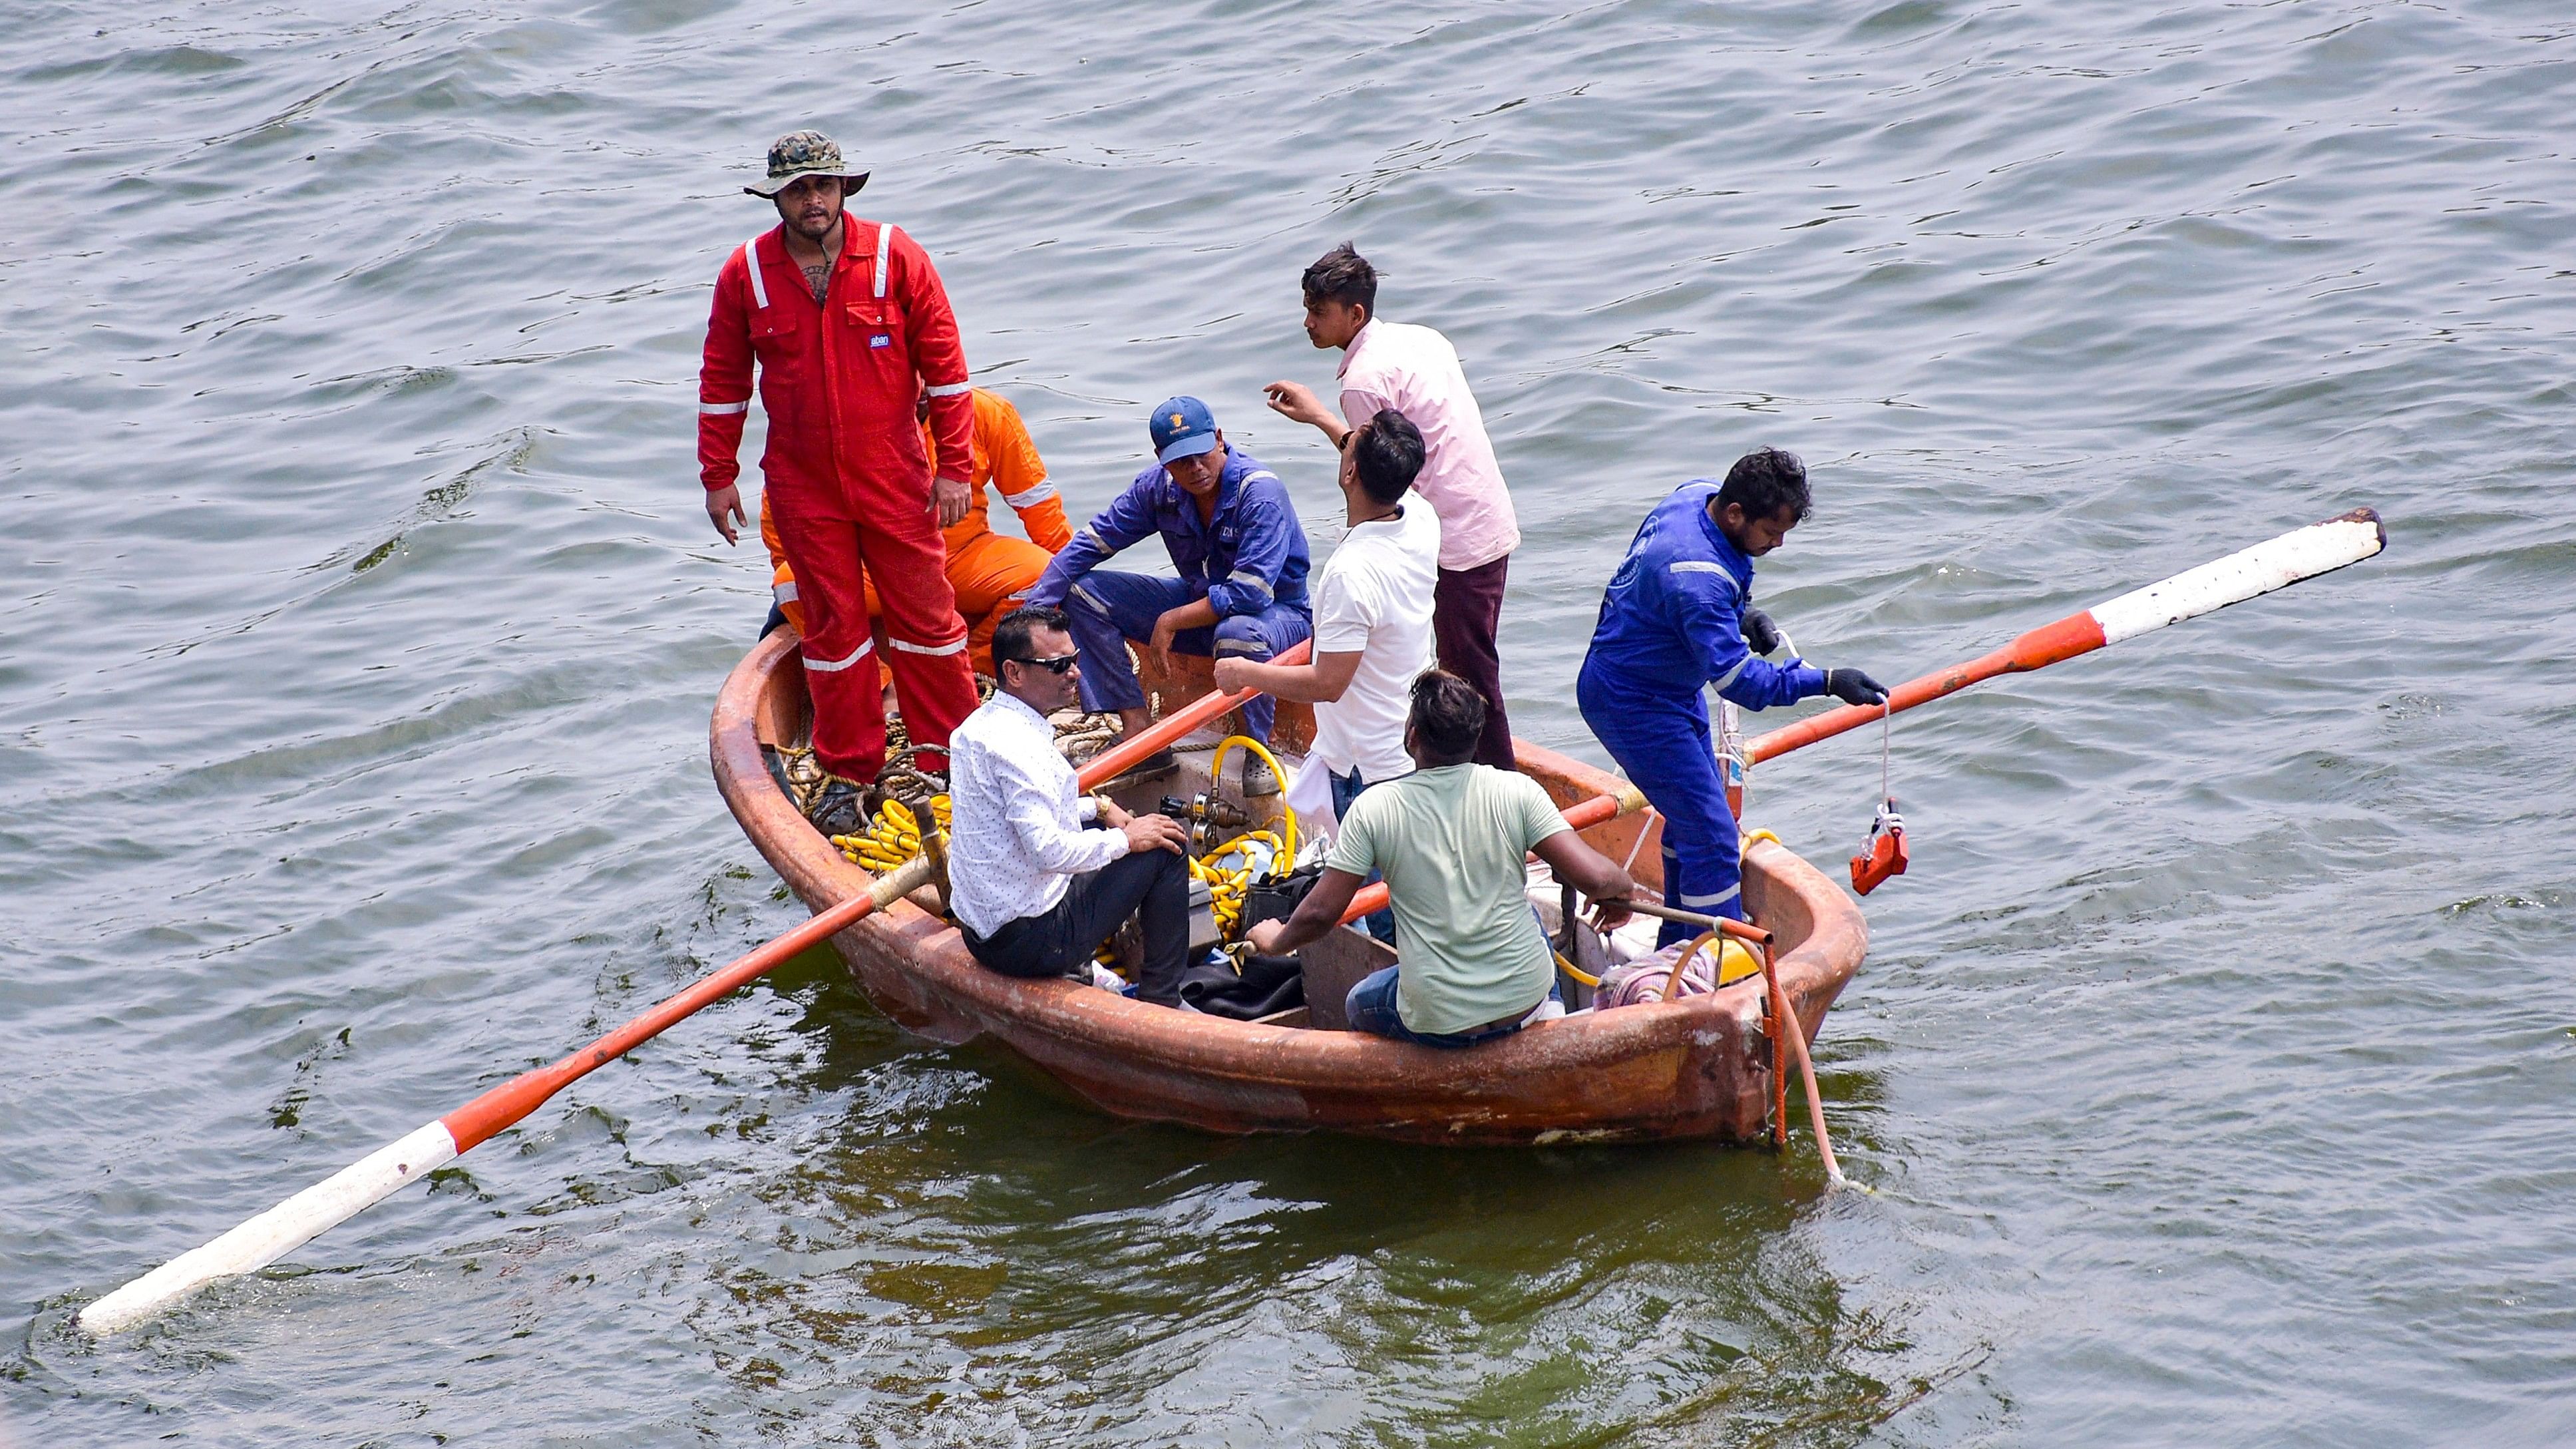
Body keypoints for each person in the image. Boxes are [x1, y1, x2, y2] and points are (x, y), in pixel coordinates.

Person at [698, 130, 982, 835]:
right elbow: (724, 382)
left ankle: (950, 759)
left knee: (930, 622)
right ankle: (849, 771)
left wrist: (954, 469)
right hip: (801, 487)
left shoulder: (895, 255)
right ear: (778, 199)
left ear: (843, 188)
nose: (813, 199)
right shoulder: (747, 274)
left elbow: (948, 375)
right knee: (833, 634)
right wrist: (718, 474)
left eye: (823, 185)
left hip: (894, 478)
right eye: (798, 189)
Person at [1576, 448, 1888, 946]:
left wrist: (1740, 615)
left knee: (1694, 823)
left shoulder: (1693, 497)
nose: (1778, 544)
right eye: (1770, 533)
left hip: (1666, 684)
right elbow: (1744, 684)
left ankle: (1675, 947)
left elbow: (1672, 594)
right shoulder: (1697, 581)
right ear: (1736, 513)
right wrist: (1826, 680)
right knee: (1715, 842)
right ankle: (1712, 965)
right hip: (1629, 703)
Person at [1246, 672, 1637, 1048]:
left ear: (1412, 737)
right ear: (1475, 737)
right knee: (1528, 917)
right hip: (1524, 1000)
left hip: (1439, 1021)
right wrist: (1623, 890)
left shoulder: (1374, 809)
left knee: (1358, 1003)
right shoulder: (1516, 790)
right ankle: (1547, 1015)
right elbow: (1600, 879)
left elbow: (1319, 913)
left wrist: (1275, 941)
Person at [1263, 242, 1521, 769]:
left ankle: (1497, 794)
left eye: (1318, 311)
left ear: (1354, 314)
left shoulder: (1363, 381)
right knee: (1466, 665)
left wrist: (1320, 417)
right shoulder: (1419, 339)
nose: (1307, 322)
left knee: (1466, 682)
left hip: (1454, 535)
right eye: (1306, 307)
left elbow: (1379, 473)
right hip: (1483, 513)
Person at [1213, 408, 1437, 940]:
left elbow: (1327, 682)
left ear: (1349, 472)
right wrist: (1318, 415)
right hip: (1416, 735)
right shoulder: (1422, 516)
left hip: (1371, 765)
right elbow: (1381, 465)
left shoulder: (1349, 572)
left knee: (1384, 908)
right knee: (1418, 888)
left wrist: (1247, 672)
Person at [1025, 397, 1312, 761]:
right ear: (1161, 458)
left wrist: (1172, 620)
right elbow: (1094, 541)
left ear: (1220, 440)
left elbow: (1250, 595)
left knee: (1237, 632)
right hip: (1203, 605)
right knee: (1083, 593)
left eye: (1201, 455)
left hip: (1275, 618)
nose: (1195, 469)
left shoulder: (1260, 494)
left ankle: (1258, 750)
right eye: (1180, 461)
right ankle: (1137, 725)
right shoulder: (1158, 489)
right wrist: (1032, 612)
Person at [946, 606, 1196, 1004]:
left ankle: (1090, 965)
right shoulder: (1022, 749)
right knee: (1168, 845)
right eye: (1059, 665)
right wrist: (1128, 841)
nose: (1075, 674)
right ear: (1014, 673)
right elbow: (1047, 851)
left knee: (1110, 834)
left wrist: (1100, 810)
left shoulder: (974, 730)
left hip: (979, 933)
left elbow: (1022, 820)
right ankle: (1163, 999)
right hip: (1031, 945)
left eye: (1074, 660)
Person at [761, 383, 1070, 677]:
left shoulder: (986, 412)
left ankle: (973, 668)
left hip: (962, 558)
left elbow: (1039, 505)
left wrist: (1076, 583)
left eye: (929, 374)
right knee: (790, 583)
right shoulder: (844, 420)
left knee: (1047, 573)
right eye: (907, 373)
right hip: (877, 568)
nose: (921, 388)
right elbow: (781, 502)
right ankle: (880, 684)